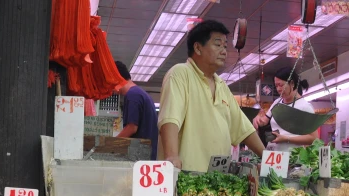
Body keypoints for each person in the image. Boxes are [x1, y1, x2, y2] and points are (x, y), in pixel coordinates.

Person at [158, 20, 265, 172]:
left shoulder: (221, 85)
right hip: (186, 177)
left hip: (217, 180)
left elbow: (243, 128)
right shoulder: (180, 73)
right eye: (217, 44)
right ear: (198, 48)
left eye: (225, 46)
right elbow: (169, 119)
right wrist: (171, 156)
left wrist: (268, 157)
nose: (224, 51)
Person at [252, 68, 318, 151]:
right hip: (272, 154)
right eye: (276, 86)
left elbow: (313, 138)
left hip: (292, 156)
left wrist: (286, 139)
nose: (278, 89)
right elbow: (264, 121)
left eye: (281, 85)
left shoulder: (305, 107)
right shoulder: (277, 102)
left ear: (292, 83)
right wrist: (258, 118)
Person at [114, 61, 159, 160]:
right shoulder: (140, 93)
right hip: (147, 154)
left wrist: (112, 144)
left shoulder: (132, 95)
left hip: (140, 156)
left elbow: (131, 127)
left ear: (116, 78)